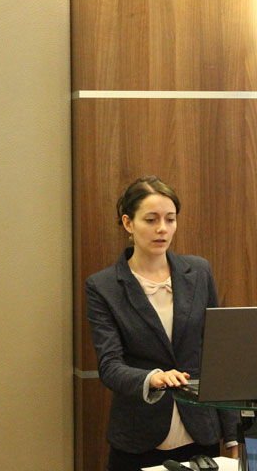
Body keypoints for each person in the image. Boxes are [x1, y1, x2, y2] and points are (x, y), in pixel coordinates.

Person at [85, 176, 239, 471]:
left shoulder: (199, 272)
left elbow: (218, 354)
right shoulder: (103, 287)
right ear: (128, 223)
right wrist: (152, 378)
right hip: (137, 440)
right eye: (151, 220)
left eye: (170, 219)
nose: (162, 229)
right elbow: (109, 366)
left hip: (200, 436)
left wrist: (232, 434)